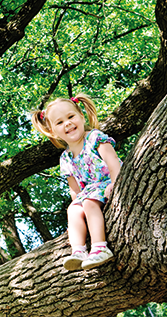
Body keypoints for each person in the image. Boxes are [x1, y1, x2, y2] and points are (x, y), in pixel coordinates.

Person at [31, 93, 121, 271]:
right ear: (52, 131)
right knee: (73, 209)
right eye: (59, 122)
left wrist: (115, 183)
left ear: (81, 116)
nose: (68, 123)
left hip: (107, 182)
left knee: (88, 203)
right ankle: (78, 251)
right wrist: (76, 218)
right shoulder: (65, 158)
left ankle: (100, 248)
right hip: (91, 192)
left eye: (71, 117)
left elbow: (114, 164)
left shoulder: (95, 138)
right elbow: (75, 192)